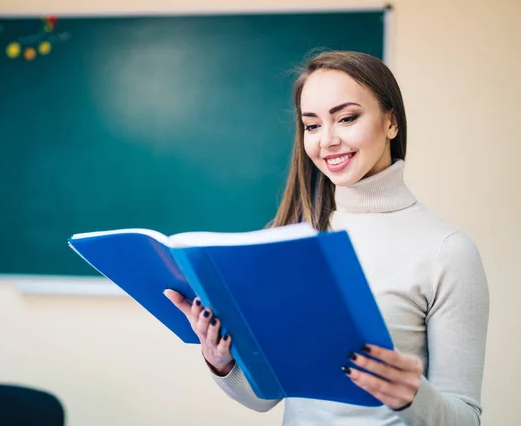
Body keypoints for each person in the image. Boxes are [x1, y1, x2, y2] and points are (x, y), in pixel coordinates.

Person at [164, 50, 489, 425]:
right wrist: (220, 361)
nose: (327, 140)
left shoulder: (447, 251)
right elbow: (266, 399)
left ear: (391, 122)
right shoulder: (288, 241)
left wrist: (414, 396)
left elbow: (466, 419)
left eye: (347, 118)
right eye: (312, 126)